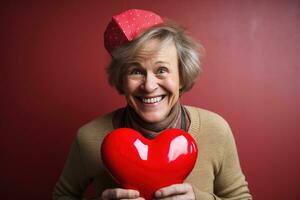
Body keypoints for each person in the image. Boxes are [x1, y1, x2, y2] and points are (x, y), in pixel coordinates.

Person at [53, 9, 252, 200]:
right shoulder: (88, 137)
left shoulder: (216, 130)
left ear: (181, 76)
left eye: (162, 70)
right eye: (136, 71)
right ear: (122, 79)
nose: (149, 86)